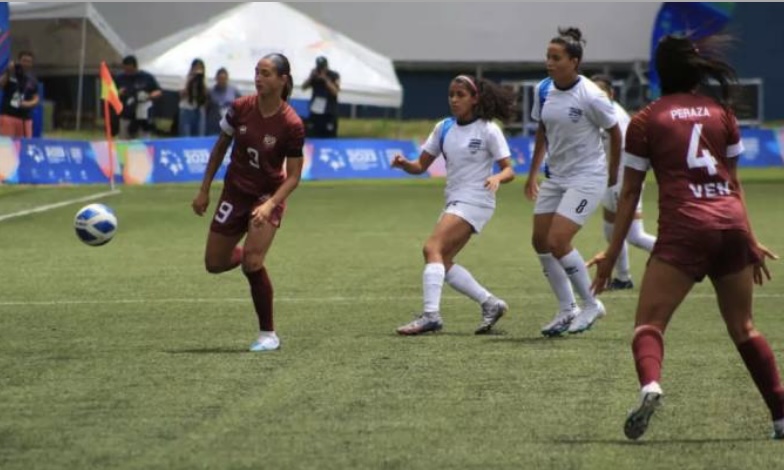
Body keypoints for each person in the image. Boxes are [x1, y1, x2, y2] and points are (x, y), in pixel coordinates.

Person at [588, 34, 783, 441]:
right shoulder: (722, 114)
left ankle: (651, 385)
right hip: (730, 225)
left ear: (659, 72)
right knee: (744, 327)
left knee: (649, 325)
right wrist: (749, 238)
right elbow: (734, 183)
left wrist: (610, 253)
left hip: (686, 229)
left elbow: (629, 193)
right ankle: (781, 416)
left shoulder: (647, 120)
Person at [191, 53, 304, 352]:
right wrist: (204, 190)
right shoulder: (240, 108)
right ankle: (250, 252)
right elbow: (219, 148)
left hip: (267, 195)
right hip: (235, 193)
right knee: (214, 264)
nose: (258, 78)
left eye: (266, 73)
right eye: (257, 72)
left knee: (253, 263)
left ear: (282, 80)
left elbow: (294, 176)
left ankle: (268, 335)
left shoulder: (291, 123)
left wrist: (269, 205)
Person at [392, 74, 515, 335]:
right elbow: (420, 166)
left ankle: (431, 315)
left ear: (475, 99)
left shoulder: (488, 129)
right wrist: (404, 164)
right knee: (442, 260)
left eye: (461, 95)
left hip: (477, 199)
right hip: (456, 199)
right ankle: (490, 303)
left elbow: (509, 170)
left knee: (431, 248)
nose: (454, 100)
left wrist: (497, 177)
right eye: (451, 95)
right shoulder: (444, 127)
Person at [524, 27, 623, 337]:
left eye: (556, 58)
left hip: (587, 177)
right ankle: (567, 309)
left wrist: (612, 173)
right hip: (556, 177)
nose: (549, 63)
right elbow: (542, 130)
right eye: (548, 57)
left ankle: (592, 304)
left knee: (558, 241)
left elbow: (615, 132)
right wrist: (532, 173)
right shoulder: (543, 89)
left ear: (574, 62)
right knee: (540, 242)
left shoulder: (591, 95)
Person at [591, 74, 657, 290]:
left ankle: (680, 257)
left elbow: (623, 153)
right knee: (610, 230)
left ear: (611, 94)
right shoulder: (600, 113)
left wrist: (613, 179)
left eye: (600, 92)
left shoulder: (616, 117)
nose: (596, 96)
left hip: (623, 179)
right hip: (611, 179)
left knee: (634, 235)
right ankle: (623, 278)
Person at [116, 55, 162, 139]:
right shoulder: (120, 78)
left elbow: (158, 91)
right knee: (124, 141)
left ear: (134, 66)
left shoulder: (146, 77)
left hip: (143, 115)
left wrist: (148, 96)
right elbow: (112, 93)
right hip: (126, 114)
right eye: (125, 69)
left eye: (129, 69)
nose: (127, 72)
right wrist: (118, 93)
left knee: (143, 140)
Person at [0, 51, 39, 138]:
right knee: (7, 144)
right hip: (8, 116)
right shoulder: (11, 74)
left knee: (26, 144)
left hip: (25, 119)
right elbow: (1, 85)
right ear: (19, 61)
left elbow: (36, 98)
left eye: (28, 61)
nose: (26, 63)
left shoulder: (33, 80)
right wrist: (8, 71)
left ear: (31, 64)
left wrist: (26, 104)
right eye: (24, 60)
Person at [302, 56, 340, 138]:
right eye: (319, 67)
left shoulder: (333, 75)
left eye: (322, 67)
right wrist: (311, 77)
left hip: (328, 111)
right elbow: (303, 87)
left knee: (329, 136)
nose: (321, 70)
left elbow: (335, 92)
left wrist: (325, 79)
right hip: (316, 110)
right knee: (313, 134)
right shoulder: (314, 74)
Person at [206, 68, 242, 136]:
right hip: (213, 125)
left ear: (227, 78)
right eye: (220, 78)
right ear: (216, 78)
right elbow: (206, 108)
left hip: (229, 125)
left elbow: (241, 105)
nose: (222, 81)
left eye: (224, 78)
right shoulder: (210, 91)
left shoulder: (234, 91)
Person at [178, 58, 208, 137]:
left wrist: (201, 82)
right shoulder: (184, 78)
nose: (198, 70)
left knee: (199, 135)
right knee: (186, 135)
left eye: (200, 68)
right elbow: (181, 95)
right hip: (186, 110)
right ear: (192, 68)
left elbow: (205, 97)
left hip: (199, 110)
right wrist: (191, 80)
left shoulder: (203, 80)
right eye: (196, 67)